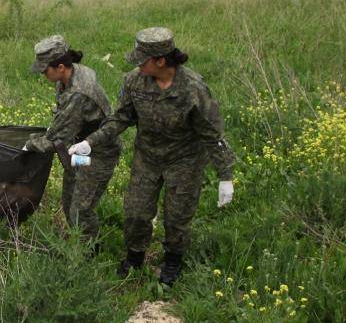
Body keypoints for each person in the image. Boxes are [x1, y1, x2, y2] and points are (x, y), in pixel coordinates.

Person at [68, 28, 236, 287]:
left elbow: (212, 134)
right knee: (135, 212)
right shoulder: (134, 82)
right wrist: (90, 142)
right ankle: (135, 256)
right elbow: (120, 117)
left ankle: (173, 261)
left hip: (185, 161)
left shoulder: (193, 88)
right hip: (147, 157)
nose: (137, 65)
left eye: (142, 60)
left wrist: (226, 176)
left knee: (177, 216)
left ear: (161, 60)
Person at [23, 36, 121, 243]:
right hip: (78, 148)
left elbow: (55, 139)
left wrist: (27, 146)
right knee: (68, 202)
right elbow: (63, 116)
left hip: (99, 152)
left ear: (60, 67)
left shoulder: (78, 92)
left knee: (81, 210)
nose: (42, 74)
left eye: (44, 70)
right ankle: (81, 241)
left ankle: (89, 252)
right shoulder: (68, 75)